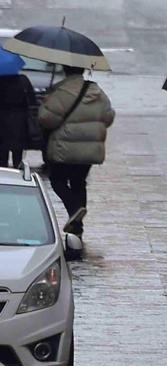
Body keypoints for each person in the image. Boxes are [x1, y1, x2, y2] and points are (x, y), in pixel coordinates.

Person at [39, 65, 115, 238]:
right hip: (89, 149)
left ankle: (74, 209)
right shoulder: (98, 92)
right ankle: (77, 226)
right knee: (79, 182)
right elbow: (108, 117)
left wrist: (46, 104)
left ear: (65, 71)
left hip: (64, 148)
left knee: (57, 180)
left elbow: (46, 120)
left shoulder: (60, 93)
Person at [0, 70, 36, 168]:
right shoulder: (23, 80)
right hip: (20, 121)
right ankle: (17, 172)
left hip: (2, 122)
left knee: (2, 155)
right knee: (18, 153)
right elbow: (32, 100)